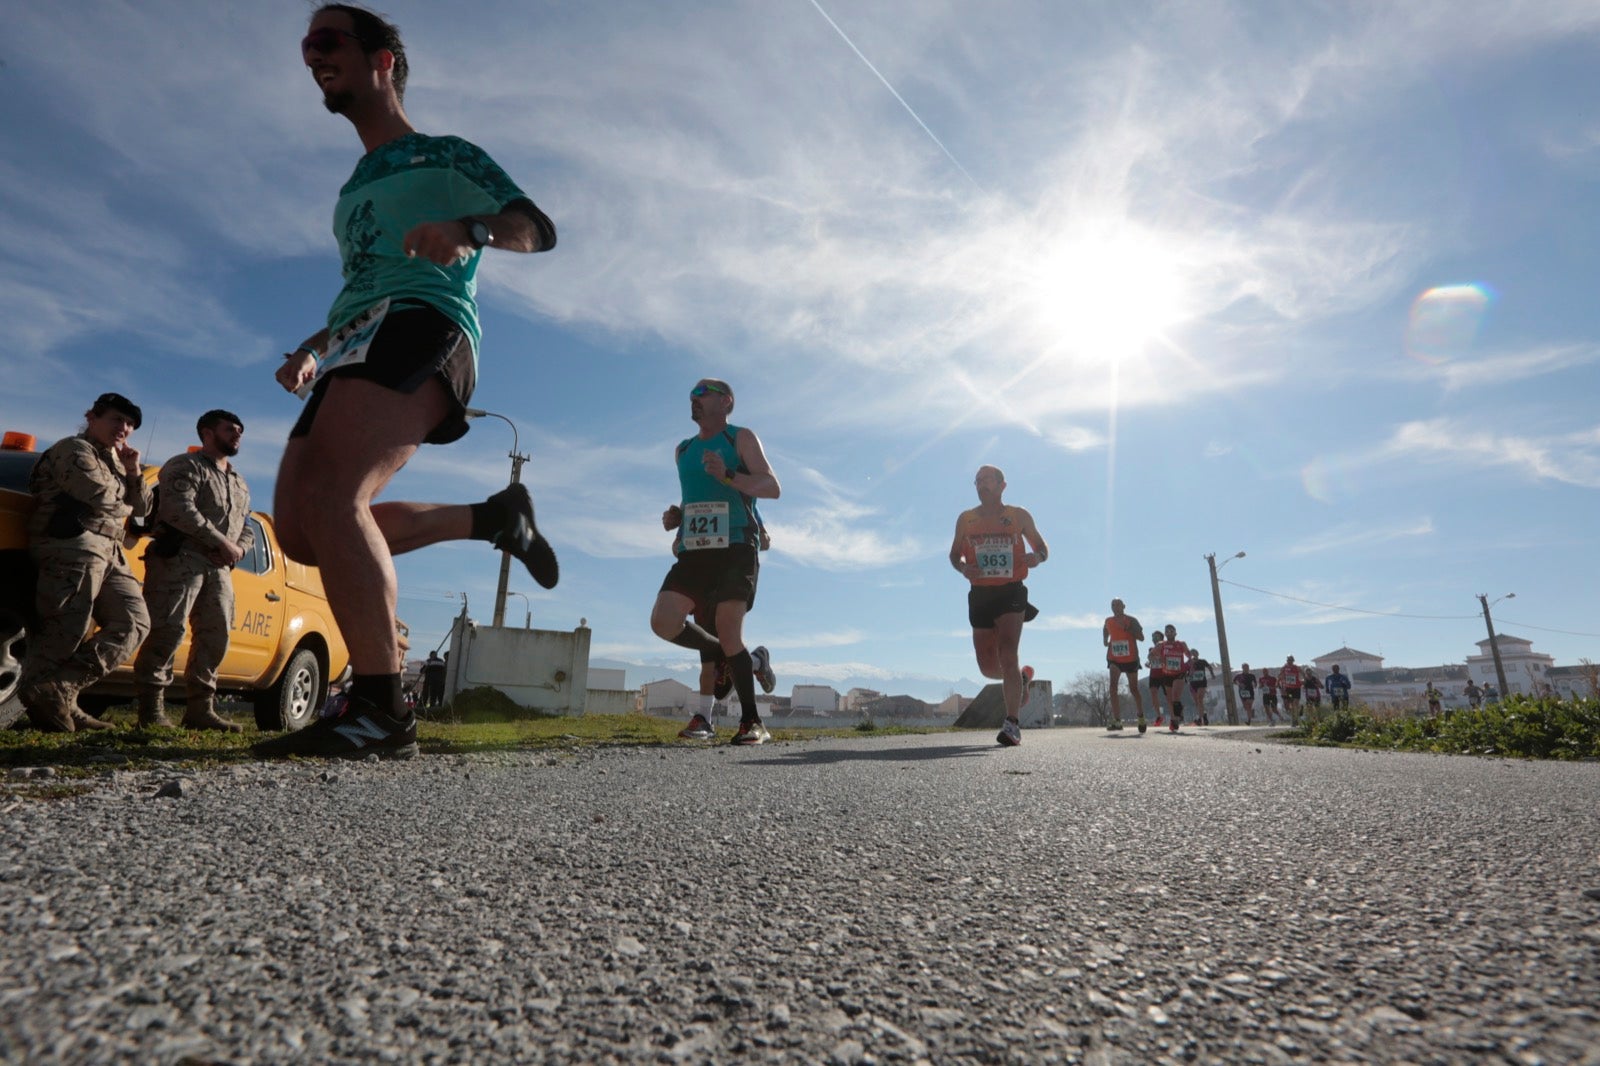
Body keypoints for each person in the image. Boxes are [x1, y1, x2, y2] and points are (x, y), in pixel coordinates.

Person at [256, 5, 560, 760]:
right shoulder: (354, 184)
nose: (311, 56)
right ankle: (493, 520)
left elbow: (534, 225)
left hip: (427, 320)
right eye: (306, 46)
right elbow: (362, 287)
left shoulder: (445, 155)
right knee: (301, 531)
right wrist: (311, 346)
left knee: (336, 496)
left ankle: (382, 709)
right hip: (354, 340)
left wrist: (472, 230)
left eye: (327, 41)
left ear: (384, 59)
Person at [652, 379, 780, 744]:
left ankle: (752, 723)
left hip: (736, 546)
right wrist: (679, 517)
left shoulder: (740, 439)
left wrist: (728, 474)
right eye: (690, 395)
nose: (692, 399)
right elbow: (695, 496)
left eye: (701, 393)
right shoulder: (683, 449)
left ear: (725, 401)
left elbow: (771, 486)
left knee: (728, 630)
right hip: (694, 551)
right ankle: (713, 652)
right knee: (663, 621)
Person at [18, 394, 153, 731]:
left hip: (110, 550)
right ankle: (41, 703)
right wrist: (128, 505)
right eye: (116, 420)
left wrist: (135, 472)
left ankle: (61, 691)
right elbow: (99, 496)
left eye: (129, 425)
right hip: (72, 543)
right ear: (91, 417)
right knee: (67, 628)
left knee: (134, 622)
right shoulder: (73, 449)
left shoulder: (119, 464)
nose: (123, 429)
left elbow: (144, 511)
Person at [132, 410, 253, 731]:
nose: (237, 435)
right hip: (180, 558)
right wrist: (220, 542)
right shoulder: (185, 466)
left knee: (217, 636)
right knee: (167, 631)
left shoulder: (238, 481)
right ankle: (151, 710)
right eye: (230, 429)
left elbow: (247, 525)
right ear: (207, 433)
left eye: (240, 430)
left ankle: (201, 710)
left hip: (219, 568)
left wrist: (238, 548)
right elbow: (178, 508)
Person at [949, 466, 1048, 747]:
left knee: (1007, 651)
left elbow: (1042, 548)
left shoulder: (1018, 516)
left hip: (1011, 591)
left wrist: (1036, 557)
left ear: (1002, 485)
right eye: (978, 481)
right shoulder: (966, 519)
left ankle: (1012, 724)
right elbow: (954, 555)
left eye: (988, 480)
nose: (982, 485)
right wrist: (963, 567)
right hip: (980, 594)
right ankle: (1022, 680)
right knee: (988, 666)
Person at [1102, 598, 1145, 732]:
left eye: (1118, 605)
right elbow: (1105, 629)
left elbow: (1141, 637)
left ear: (1124, 606)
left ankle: (1141, 717)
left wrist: (1128, 629)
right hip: (1114, 659)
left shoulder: (1131, 620)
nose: (1115, 607)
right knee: (1112, 687)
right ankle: (1117, 721)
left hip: (1131, 658)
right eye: (1113, 605)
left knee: (1134, 689)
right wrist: (1105, 639)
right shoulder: (1108, 620)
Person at [1153, 624, 1191, 732]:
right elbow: (1150, 656)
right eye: (1167, 631)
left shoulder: (1181, 644)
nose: (1169, 633)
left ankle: (1177, 716)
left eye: (1171, 631)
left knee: (1175, 696)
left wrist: (1190, 658)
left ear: (1175, 633)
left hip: (1179, 673)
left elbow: (1188, 655)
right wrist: (1159, 658)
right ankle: (1174, 720)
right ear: (1165, 634)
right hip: (1167, 674)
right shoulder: (1161, 645)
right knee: (1170, 700)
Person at [1185, 647, 1216, 726]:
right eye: (1191, 653)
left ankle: (1200, 718)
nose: (1193, 654)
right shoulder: (1188, 662)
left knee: (1200, 699)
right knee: (1197, 702)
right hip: (1193, 684)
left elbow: (1209, 667)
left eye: (1194, 653)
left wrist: (1212, 674)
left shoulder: (1203, 661)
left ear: (1197, 654)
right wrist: (1187, 676)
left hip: (1202, 682)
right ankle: (1204, 715)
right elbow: (1185, 672)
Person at [1146, 637, 1170, 727]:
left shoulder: (1166, 648)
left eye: (1156, 636)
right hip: (1154, 675)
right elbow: (1151, 660)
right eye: (1153, 637)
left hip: (1164, 675)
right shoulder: (1151, 649)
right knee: (1153, 694)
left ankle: (1173, 716)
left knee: (1168, 696)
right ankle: (1159, 716)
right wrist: (1148, 664)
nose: (1154, 638)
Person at [1278, 655, 1304, 725]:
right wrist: (1278, 684)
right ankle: (1297, 714)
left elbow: (1303, 674)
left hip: (1296, 688)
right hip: (1288, 689)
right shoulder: (1284, 668)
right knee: (1287, 706)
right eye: (1288, 660)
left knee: (1294, 703)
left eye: (1291, 660)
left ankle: (1294, 720)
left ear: (1293, 661)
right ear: (1286, 661)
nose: (1289, 661)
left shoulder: (1297, 667)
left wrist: (1303, 681)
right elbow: (1279, 676)